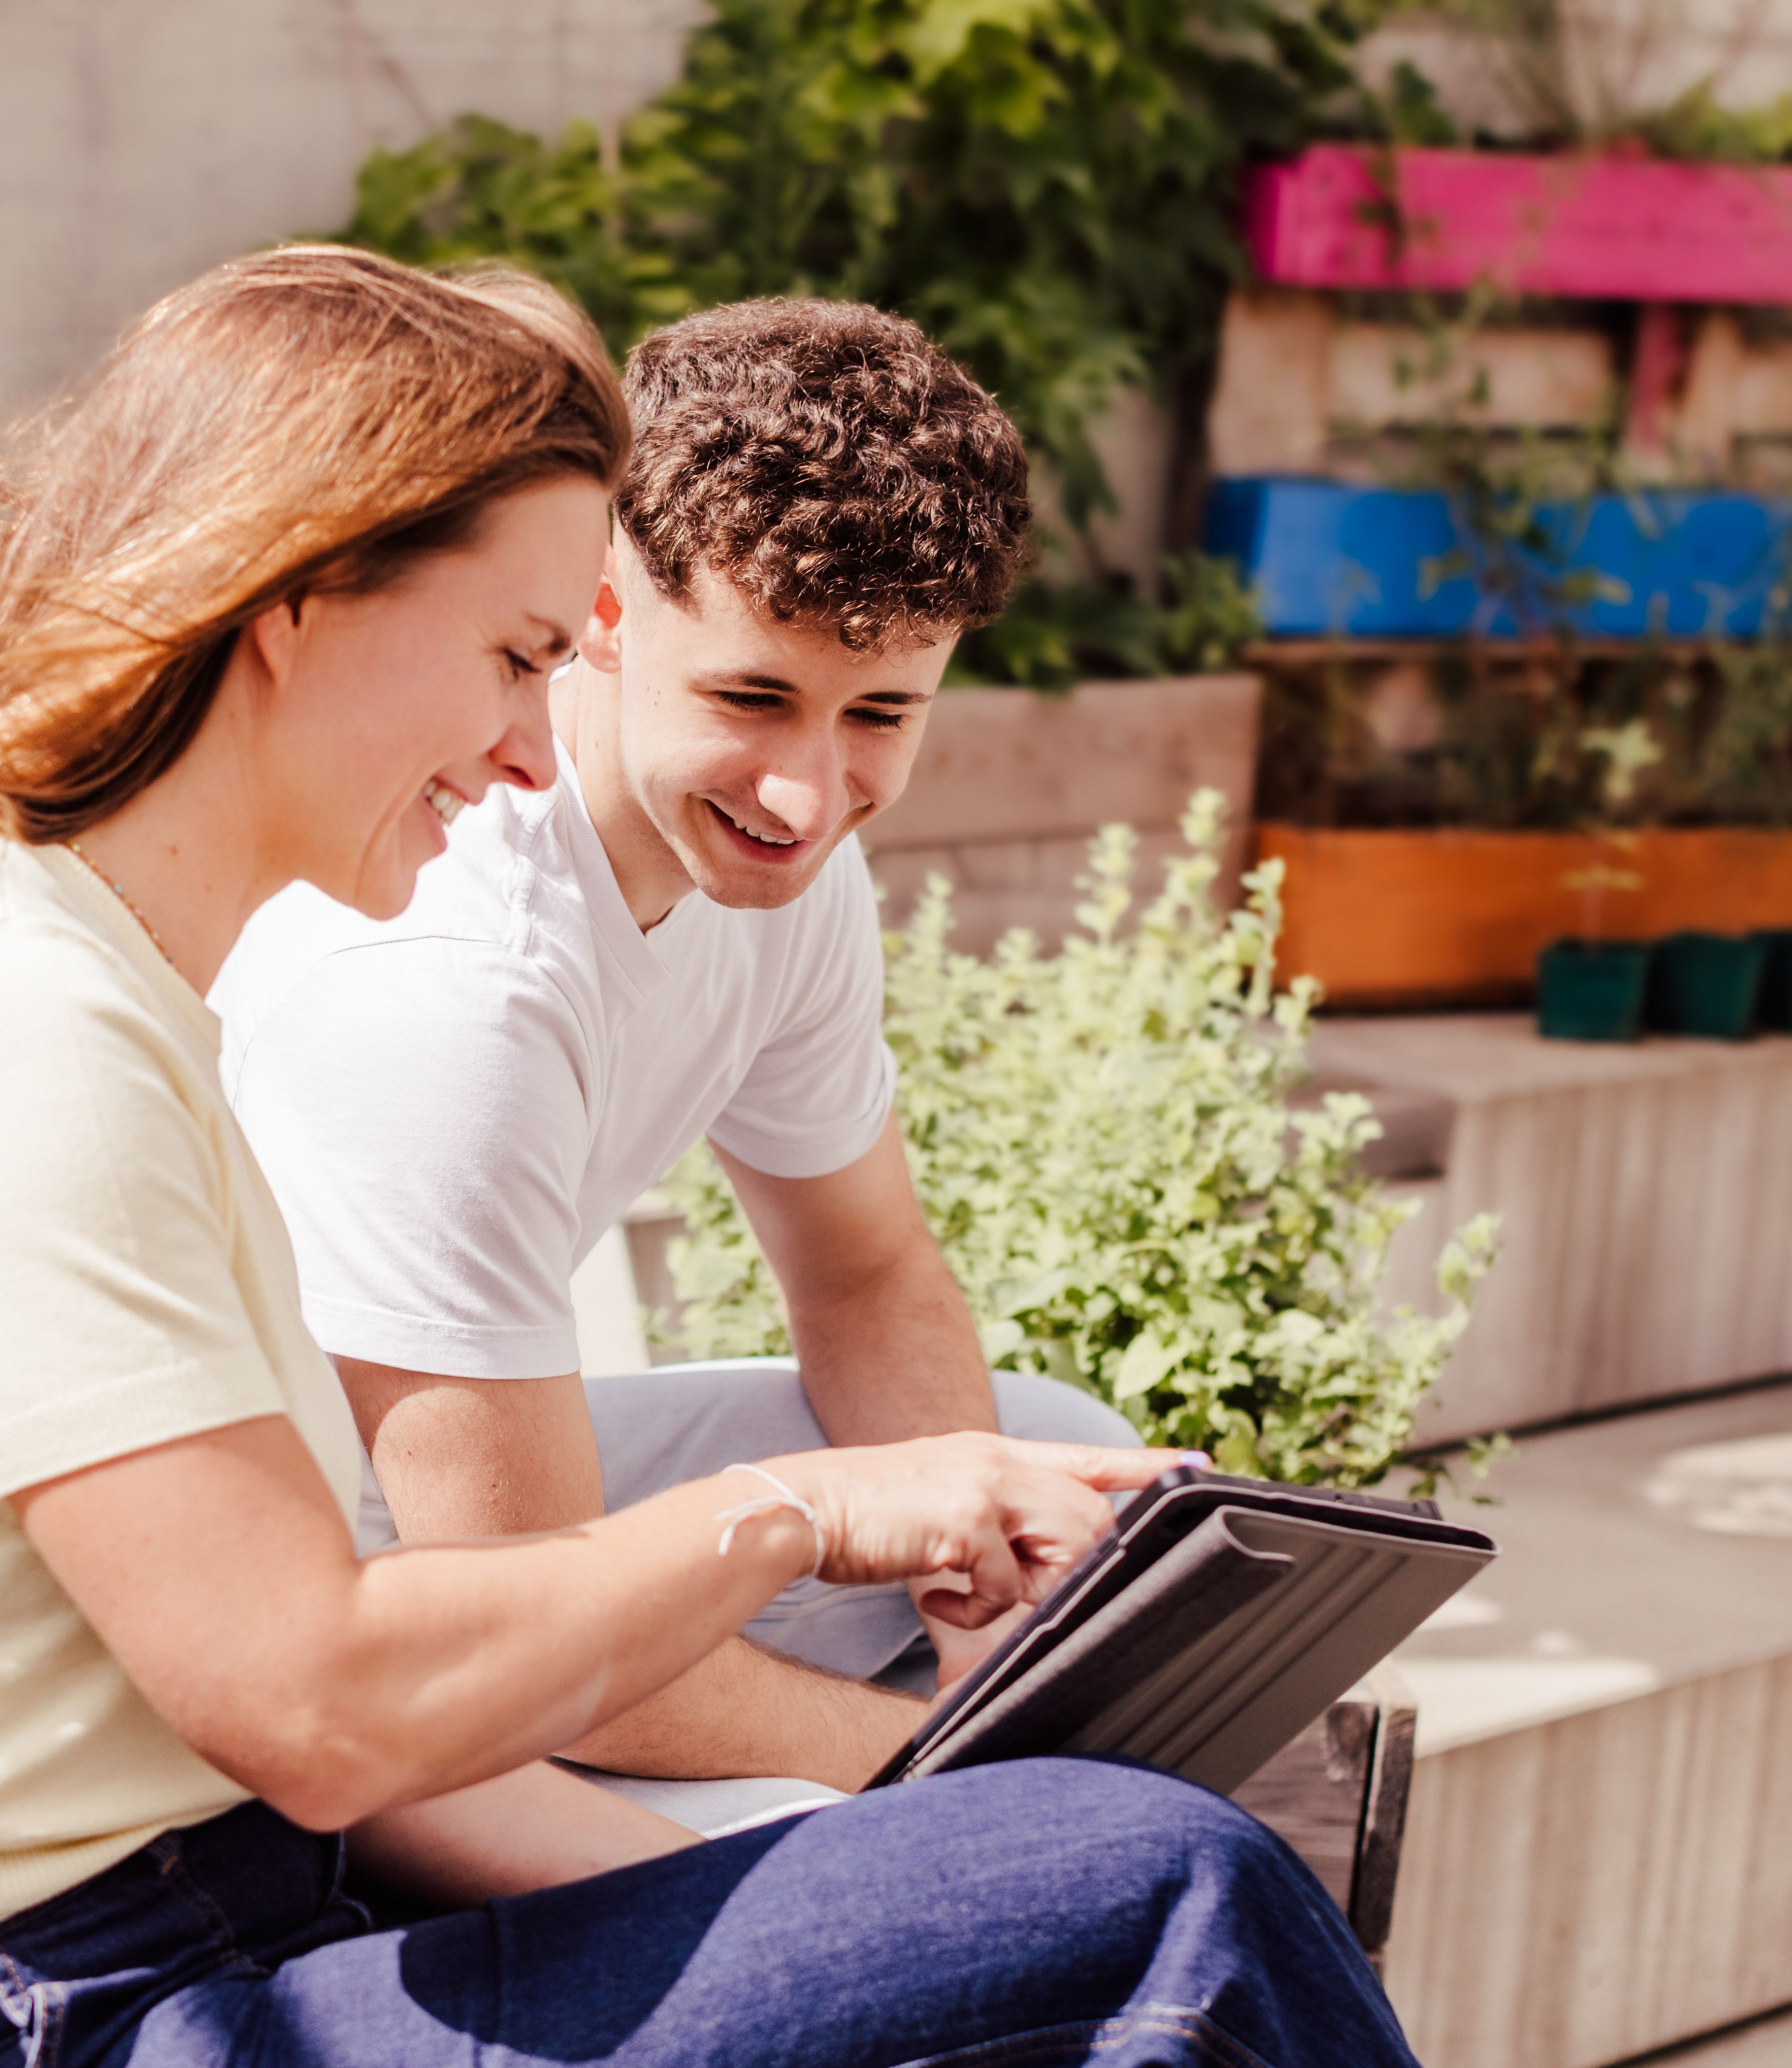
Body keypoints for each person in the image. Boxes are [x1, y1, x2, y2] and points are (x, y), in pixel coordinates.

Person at [0, 244, 1423, 2068]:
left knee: (1123, 1881)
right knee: (1159, 1889)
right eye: (517, 653)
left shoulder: (101, 973)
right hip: (47, 2012)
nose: (526, 742)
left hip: (210, 1906)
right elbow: (331, 1716)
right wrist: (813, 1551)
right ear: (300, 602)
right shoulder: (15, 1027)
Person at [210, 297, 1134, 1804]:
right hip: (313, 1577)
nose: (805, 792)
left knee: (1049, 1458)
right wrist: (957, 1775)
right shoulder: (453, 976)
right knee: (820, 1798)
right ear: (604, 609)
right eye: (750, 697)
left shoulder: (789, 861)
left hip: (466, 1503)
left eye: (880, 715)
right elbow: (511, 1613)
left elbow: (865, 1271)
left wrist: (982, 1584)